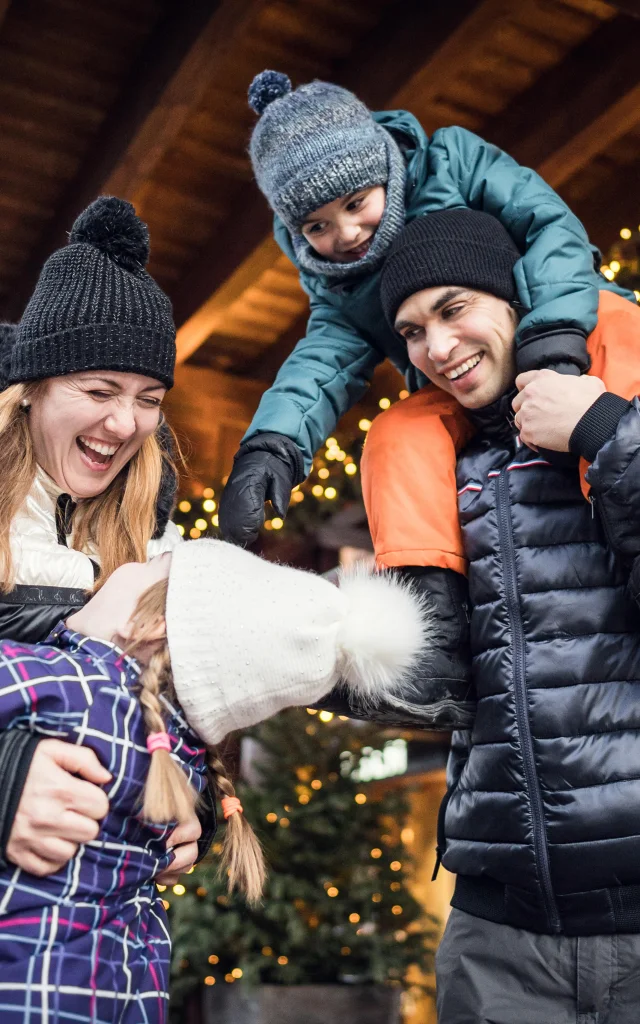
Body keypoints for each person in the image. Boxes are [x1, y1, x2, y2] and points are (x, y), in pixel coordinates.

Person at [364, 207, 640, 1022]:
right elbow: (422, 694)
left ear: (516, 301)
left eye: (454, 309)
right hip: (497, 935)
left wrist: (601, 428)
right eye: (411, 332)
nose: (436, 349)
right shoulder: (433, 463)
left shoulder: (618, 411)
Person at [0, 538, 426, 1021]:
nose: (130, 563)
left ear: (150, 624)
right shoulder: (180, 762)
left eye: (150, 563)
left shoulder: (73, 687)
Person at [219, 70, 633, 553]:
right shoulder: (338, 284)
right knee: (401, 432)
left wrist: (554, 341)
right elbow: (321, 366)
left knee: (615, 332)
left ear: (384, 171)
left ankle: (622, 514)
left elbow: (549, 226)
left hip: (563, 330)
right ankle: (429, 582)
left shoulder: (450, 163)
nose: (348, 234)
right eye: (317, 226)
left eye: (356, 202)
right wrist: (270, 447)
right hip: (463, 390)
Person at [0, 196, 207, 889]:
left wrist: (189, 801)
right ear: (31, 389)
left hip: (99, 945)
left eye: (149, 398)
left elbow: (174, 720)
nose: (124, 423)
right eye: (99, 388)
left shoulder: (148, 536)